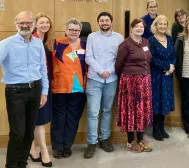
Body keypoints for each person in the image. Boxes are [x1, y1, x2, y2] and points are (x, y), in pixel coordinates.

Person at [0, 11, 49, 168]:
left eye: (28, 22)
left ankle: (22, 163)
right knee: (17, 133)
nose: (25, 25)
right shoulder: (7, 43)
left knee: (29, 132)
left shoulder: (37, 43)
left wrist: (44, 91)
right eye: (21, 22)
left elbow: (43, 69)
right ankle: (11, 165)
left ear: (33, 24)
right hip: (16, 93)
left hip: (35, 91)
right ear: (16, 24)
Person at [83, 12, 124, 159]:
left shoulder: (119, 38)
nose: (104, 22)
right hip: (94, 79)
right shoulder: (92, 37)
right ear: (98, 22)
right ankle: (91, 142)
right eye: (102, 20)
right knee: (93, 112)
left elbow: (120, 58)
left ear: (111, 22)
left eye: (107, 20)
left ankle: (104, 139)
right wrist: (101, 71)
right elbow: (88, 57)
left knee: (107, 110)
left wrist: (109, 71)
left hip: (111, 79)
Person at [51, 18, 87, 158]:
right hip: (59, 87)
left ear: (80, 32)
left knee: (72, 118)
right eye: (71, 29)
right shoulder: (56, 43)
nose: (74, 32)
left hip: (78, 88)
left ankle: (67, 146)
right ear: (66, 30)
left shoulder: (85, 45)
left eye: (77, 30)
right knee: (59, 118)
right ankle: (57, 147)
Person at [115, 18, 153, 153]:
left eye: (141, 27)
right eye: (136, 26)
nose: (139, 29)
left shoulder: (146, 42)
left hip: (145, 82)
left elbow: (148, 60)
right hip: (130, 82)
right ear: (131, 28)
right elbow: (118, 65)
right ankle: (130, 141)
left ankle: (141, 139)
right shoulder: (125, 44)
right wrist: (128, 76)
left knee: (141, 110)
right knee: (131, 111)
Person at [30, 13, 54, 167]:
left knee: (38, 118)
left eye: (47, 22)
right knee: (39, 119)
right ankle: (44, 151)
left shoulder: (47, 41)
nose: (45, 25)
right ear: (35, 24)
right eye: (42, 22)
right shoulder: (31, 40)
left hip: (46, 84)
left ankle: (32, 148)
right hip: (35, 85)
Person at [148, 15, 176, 141]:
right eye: (160, 24)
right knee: (157, 102)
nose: (163, 26)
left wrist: (172, 67)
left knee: (164, 101)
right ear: (155, 26)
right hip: (156, 76)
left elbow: (174, 55)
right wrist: (166, 66)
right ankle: (155, 130)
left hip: (168, 75)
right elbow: (151, 58)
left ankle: (162, 128)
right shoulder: (151, 40)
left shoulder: (170, 39)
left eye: (165, 24)